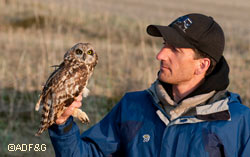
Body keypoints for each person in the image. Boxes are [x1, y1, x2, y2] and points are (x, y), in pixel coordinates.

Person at [48, 13, 250, 157]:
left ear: (202, 65)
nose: (160, 55)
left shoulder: (238, 123)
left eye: (175, 49)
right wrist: (62, 125)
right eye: (164, 45)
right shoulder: (132, 106)